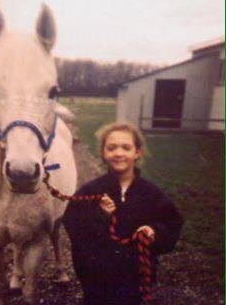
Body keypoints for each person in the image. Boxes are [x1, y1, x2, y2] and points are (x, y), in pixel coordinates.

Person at [63, 122, 183, 305]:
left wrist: (154, 232)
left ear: (137, 152)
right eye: (112, 148)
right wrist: (100, 216)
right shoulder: (89, 191)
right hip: (96, 279)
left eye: (126, 147)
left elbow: (172, 223)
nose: (119, 153)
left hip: (136, 279)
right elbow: (73, 225)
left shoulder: (151, 193)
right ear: (103, 153)